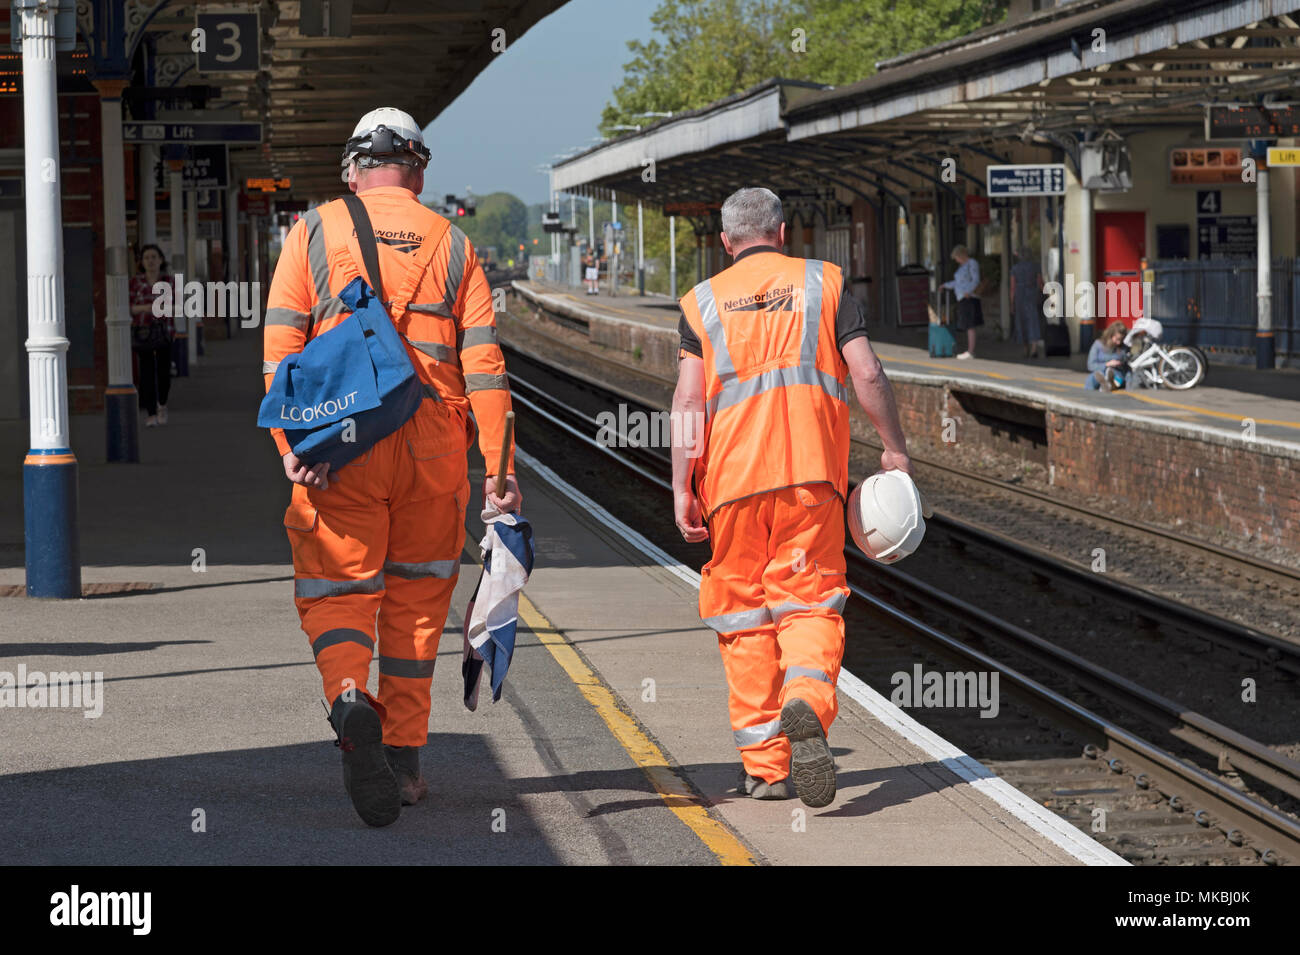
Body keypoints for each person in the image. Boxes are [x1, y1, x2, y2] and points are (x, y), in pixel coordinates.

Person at [264, 107, 522, 827]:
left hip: (340, 443)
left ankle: (350, 697)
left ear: (351, 168)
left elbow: (278, 354)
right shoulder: (455, 242)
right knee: (415, 606)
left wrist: (294, 451)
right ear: (419, 168)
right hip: (435, 447)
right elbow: (485, 365)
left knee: (338, 588)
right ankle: (406, 762)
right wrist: (498, 467)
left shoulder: (311, 231)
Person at [672, 187, 913, 808]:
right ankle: (806, 701)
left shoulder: (701, 303)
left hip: (729, 485)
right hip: (811, 479)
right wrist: (895, 449)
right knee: (807, 605)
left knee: (743, 618)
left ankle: (766, 767)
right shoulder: (824, 285)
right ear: (782, 233)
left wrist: (682, 483)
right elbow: (868, 373)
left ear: (726, 242)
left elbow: (689, 404)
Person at [128, 244, 174, 427]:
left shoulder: (169, 281)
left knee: (164, 374)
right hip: (143, 331)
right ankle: (151, 414)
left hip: (164, 331)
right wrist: (147, 308)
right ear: (142, 262)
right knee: (146, 374)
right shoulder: (135, 283)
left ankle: (162, 404)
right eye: (146, 258)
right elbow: (129, 307)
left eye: (154, 257)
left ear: (161, 260)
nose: (150, 261)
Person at [941, 244, 982, 360]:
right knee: (967, 324)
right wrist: (945, 285)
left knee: (970, 325)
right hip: (962, 297)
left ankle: (971, 351)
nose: (956, 260)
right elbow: (957, 282)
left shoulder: (972, 263)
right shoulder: (962, 267)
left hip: (969, 297)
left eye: (957, 257)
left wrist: (968, 292)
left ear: (961, 255)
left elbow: (976, 279)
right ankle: (970, 350)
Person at [1009, 246, 1044, 358]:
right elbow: (1040, 283)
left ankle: (1025, 349)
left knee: (1021, 322)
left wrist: (1012, 303)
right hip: (1032, 294)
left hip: (1020, 296)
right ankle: (1034, 348)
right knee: (1033, 321)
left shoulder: (1015, 268)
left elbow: (1012, 287)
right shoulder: (1036, 266)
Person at [1086, 320, 1129, 391]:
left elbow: (1127, 369)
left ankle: (1109, 384)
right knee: (1093, 378)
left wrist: (1120, 364)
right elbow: (1090, 365)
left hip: (1117, 375)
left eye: (1121, 340)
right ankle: (1106, 384)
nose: (1119, 342)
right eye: (1117, 339)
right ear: (1110, 335)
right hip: (1100, 371)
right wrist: (1107, 364)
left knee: (1118, 378)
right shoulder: (1098, 344)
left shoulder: (1123, 348)